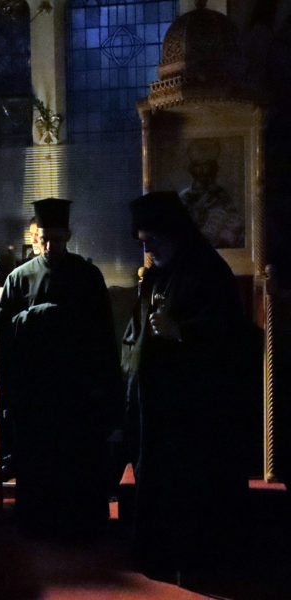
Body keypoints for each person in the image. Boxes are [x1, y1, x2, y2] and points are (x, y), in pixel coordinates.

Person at [121, 191, 250, 578]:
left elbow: (226, 336)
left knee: (192, 488)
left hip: (195, 411)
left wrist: (180, 332)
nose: (149, 251)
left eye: (153, 241)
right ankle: (159, 557)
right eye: (143, 243)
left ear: (173, 234)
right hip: (159, 407)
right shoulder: (159, 273)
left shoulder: (208, 271)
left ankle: (195, 563)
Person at [0, 197, 122, 540]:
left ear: (68, 236)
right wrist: (34, 316)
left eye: (57, 239)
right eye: (45, 239)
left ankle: (81, 525)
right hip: (35, 388)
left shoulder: (88, 275)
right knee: (38, 459)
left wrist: (104, 390)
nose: (50, 246)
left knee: (77, 459)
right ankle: (38, 525)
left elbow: (103, 335)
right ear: (36, 237)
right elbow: (4, 334)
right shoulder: (19, 279)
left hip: (76, 388)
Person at [179, 138, 244, 248]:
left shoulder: (222, 196)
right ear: (192, 169)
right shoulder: (184, 197)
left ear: (213, 169)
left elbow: (234, 228)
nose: (202, 170)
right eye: (198, 165)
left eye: (207, 165)